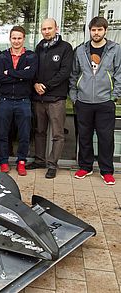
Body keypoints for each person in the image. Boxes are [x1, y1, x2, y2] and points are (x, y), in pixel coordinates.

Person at [70, 16, 121, 185]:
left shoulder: (115, 49)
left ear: (105, 30)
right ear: (90, 31)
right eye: (93, 30)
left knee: (105, 137)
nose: (96, 33)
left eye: (99, 29)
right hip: (83, 101)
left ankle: (106, 170)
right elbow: (74, 75)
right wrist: (75, 97)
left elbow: (119, 74)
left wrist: (113, 97)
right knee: (84, 136)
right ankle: (86, 166)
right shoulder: (80, 50)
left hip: (105, 101)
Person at [26, 19, 73, 179]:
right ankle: (39, 160)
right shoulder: (39, 47)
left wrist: (45, 86)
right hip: (39, 98)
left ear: (56, 28)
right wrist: (35, 84)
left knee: (57, 134)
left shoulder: (65, 48)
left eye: (49, 28)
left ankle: (52, 164)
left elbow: (65, 72)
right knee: (39, 132)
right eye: (44, 29)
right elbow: (32, 70)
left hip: (56, 99)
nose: (46, 31)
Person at [0, 26, 37, 176]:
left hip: (23, 101)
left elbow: (30, 75)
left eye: (19, 38)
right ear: (10, 39)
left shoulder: (31, 56)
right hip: (5, 100)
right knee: (3, 132)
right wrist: (20, 75)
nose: (17, 41)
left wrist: (10, 73)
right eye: (14, 38)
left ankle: (21, 161)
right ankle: (4, 161)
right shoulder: (2, 56)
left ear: (23, 39)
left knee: (24, 134)